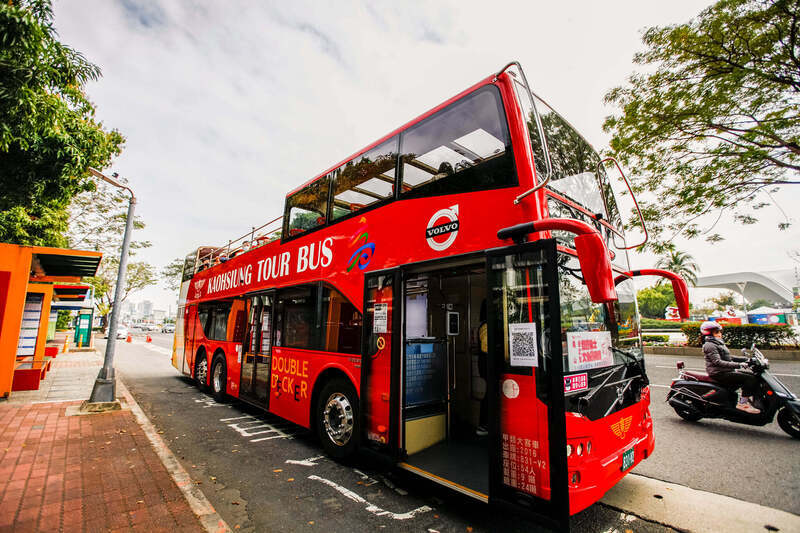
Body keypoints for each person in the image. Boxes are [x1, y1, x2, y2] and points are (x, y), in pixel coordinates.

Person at [700, 321, 760, 414]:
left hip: (725, 370)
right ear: (709, 333)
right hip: (718, 373)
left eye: (719, 332)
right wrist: (739, 365)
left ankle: (747, 400)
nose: (720, 334)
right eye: (717, 332)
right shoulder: (710, 345)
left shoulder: (718, 343)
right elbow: (718, 362)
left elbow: (729, 357)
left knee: (754, 376)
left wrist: (746, 360)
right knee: (750, 379)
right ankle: (742, 404)